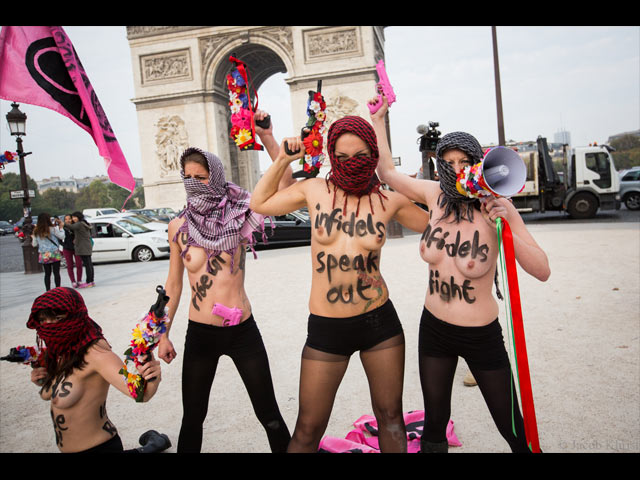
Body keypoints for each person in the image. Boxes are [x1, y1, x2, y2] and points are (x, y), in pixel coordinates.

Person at [370, 96, 550, 453]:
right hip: (434, 327)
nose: (455, 169)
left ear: (477, 164)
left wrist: (509, 219)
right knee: (434, 424)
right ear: (439, 167)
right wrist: (377, 121)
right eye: (447, 163)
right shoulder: (434, 195)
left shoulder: (495, 204)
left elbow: (541, 270)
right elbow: (387, 173)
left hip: (480, 335)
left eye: (463, 162)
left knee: (512, 426)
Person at [249, 114, 430, 453]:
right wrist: (285, 159)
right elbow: (259, 203)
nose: (352, 165)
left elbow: (438, 223)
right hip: (326, 328)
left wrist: (467, 192)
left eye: (361, 157)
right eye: (342, 158)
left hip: (378, 322)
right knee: (307, 428)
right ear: (332, 156)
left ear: (373, 155)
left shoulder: (389, 200)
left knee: (390, 415)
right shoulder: (314, 189)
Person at [157, 111, 291, 453]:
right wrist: (163, 333)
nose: (192, 184)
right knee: (192, 419)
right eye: (186, 177)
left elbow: (288, 189)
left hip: (242, 330)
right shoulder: (178, 227)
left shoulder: (242, 212)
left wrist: (268, 138)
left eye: (200, 177)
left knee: (270, 415)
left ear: (215, 177)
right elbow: (173, 285)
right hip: (199, 333)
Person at [27, 287, 170, 453]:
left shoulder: (95, 354)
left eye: (57, 318)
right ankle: (155, 443)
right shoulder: (61, 351)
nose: (49, 326)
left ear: (75, 316)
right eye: (43, 320)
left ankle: (153, 445)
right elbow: (54, 394)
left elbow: (141, 394)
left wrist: (152, 378)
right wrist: (42, 379)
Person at [32, 213, 65, 291]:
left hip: (44, 254)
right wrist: (61, 228)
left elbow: (34, 244)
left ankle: (48, 290)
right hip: (54, 252)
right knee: (56, 272)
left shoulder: (36, 231)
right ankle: (58, 289)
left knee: (47, 274)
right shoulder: (53, 229)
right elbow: (62, 236)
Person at [67, 211, 94, 288]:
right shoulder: (84, 223)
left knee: (87, 264)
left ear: (79, 217)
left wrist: (63, 223)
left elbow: (71, 227)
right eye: (72, 218)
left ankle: (89, 282)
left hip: (83, 247)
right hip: (87, 246)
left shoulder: (79, 224)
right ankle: (91, 281)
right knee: (89, 264)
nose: (73, 219)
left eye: (75, 217)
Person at [61, 214, 83, 288]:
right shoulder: (62, 228)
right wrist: (64, 244)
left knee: (79, 264)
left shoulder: (75, 227)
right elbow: (59, 238)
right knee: (69, 265)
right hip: (67, 248)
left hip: (76, 248)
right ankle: (73, 281)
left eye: (69, 219)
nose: (68, 220)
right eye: (66, 219)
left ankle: (79, 280)